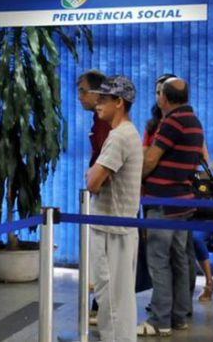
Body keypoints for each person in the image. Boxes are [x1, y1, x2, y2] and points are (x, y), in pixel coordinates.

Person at [137, 77, 204, 337]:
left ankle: (159, 320)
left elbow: (151, 159)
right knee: (180, 260)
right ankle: (178, 317)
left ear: (164, 98)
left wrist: (138, 179)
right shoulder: (194, 121)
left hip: (163, 202)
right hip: (183, 201)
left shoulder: (172, 121)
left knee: (159, 262)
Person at [86, 75, 142, 342]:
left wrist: (91, 175)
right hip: (118, 227)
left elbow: (93, 182)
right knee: (117, 300)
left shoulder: (119, 136)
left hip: (112, 229)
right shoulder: (125, 133)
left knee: (111, 302)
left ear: (119, 102)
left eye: (103, 99)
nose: (97, 103)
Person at [76, 69, 111, 324]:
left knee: (105, 256)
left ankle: (104, 308)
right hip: (99, 193)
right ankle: (99, 306)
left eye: (82, 91)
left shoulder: (107, 124)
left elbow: (105, 161)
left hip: (108, 198)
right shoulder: (98, 121)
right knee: (100, 255)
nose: (79, 97)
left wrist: (94, 182)